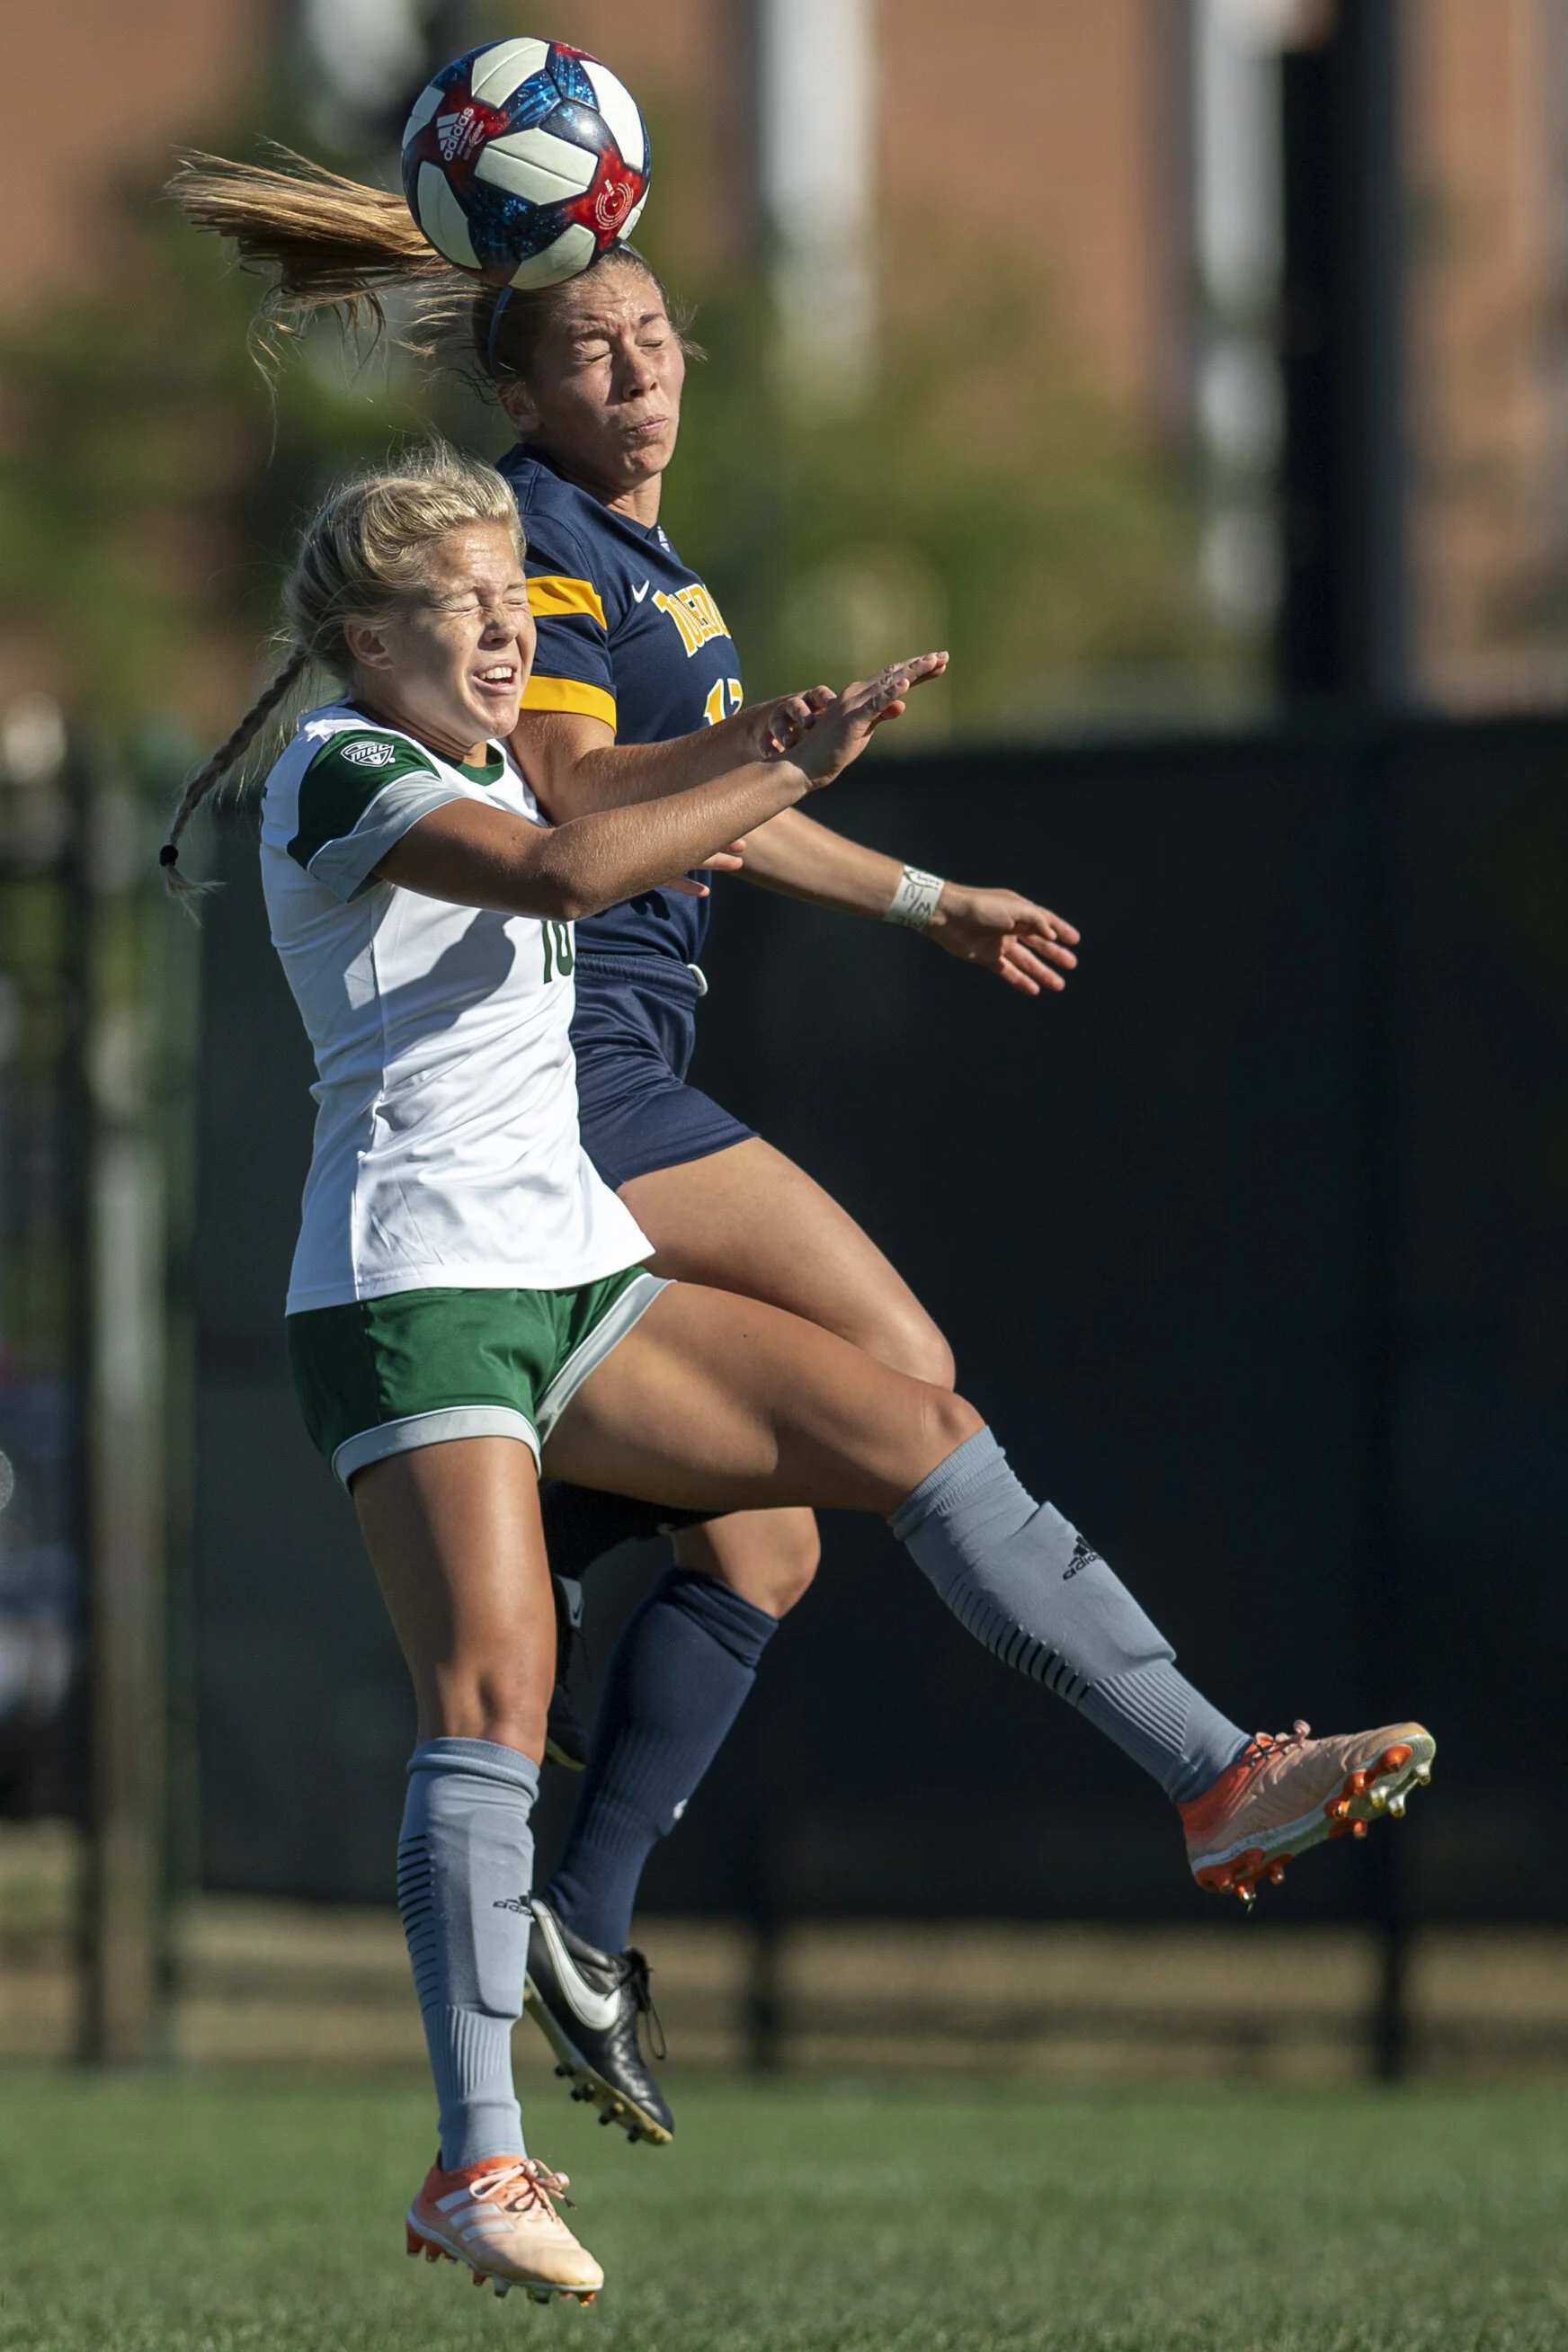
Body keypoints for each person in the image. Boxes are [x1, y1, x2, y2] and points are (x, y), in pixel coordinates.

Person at [162, 447, 1432, 2303]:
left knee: (907, 1426)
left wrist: (865, 839)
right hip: (411, 1291)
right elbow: (572, 867)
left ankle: (1213, 1774)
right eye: (467, 605)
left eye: (523, 592)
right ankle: (473, 2163)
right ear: (365, 638)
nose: (512, 625)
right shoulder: (341, 767)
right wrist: (765, 759)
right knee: (492, 1694)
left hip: (568, 1270)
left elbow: (694, 823)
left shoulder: (502, 741)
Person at [174, 155, 1084, 2145]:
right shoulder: (553, 551)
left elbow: (715, 800)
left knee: (766, 1535)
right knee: (902, 1398)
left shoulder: (655, 570)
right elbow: (581, 808)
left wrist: (920, 893)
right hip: (567, 1072)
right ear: (522, 395)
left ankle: (578, 1915)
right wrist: (791, 766)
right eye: (593, 343)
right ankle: (549, 1593)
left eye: (658, 336)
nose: (641, 369)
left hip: (614, 1050)